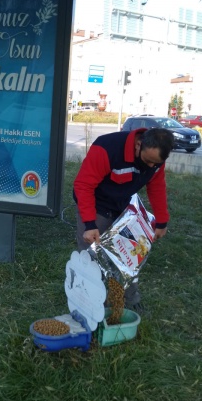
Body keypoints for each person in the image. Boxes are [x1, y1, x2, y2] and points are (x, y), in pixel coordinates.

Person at [73, 127, 175, 308]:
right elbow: (84, 185)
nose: (151, 166)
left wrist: (161, 220)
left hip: (123, 208)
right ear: (138, 145)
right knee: (91, 257)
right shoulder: (106, 148)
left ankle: (128, 301)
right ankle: (90, 303)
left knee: (129, 256)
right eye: (148, 161)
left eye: (156, 163)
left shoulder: (156, 158)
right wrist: (89, 224)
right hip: (96, 205)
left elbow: (156, 186)